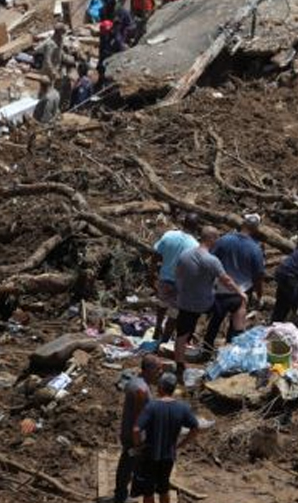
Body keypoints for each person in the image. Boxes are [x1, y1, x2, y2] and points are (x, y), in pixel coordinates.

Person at [173, 226, 238, 376]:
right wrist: (240, 292)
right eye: (216, 238)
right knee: (233, 303)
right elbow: (226, 280)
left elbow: (178, 274)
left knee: (182, 334)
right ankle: (226, 345)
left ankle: (179, 363)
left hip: (185, 301)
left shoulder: (185, 254)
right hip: (204, 302)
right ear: (212, 239)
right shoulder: (211, 260)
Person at [132, 372, 199, 503]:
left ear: (161, 387)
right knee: (164, 488)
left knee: (148, 491)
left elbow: (136, 430)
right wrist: (181, 444)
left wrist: (138, 446)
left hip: (150, 455)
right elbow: (195, 428)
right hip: (169, 456)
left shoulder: (152, 406)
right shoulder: (182, 407)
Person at [206, 214, 266, 349]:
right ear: (256, 229)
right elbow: (258, 276)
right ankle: (229, 351)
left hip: (221, 288)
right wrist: (259, 294)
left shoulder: (224, 240)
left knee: (215, 321)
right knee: (235, 326)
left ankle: (206, 350)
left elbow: (210, 259)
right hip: (242, 292)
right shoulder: (255, 250)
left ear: (242, 224)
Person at [115, 355, 161, 503]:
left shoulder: (137, 382)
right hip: (134, 436)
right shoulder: (141, 389)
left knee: (128, 463)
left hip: (131, 432)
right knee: (128, 464)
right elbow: (138, 419)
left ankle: (122, 494)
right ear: (149, 369)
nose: (160, 372)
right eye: (158, 369)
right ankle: (121, 496)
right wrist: (138, 442)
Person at [152, 213, 200, 345]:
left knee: (162, 305)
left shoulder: (169, 235)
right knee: (174, 314)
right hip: (181, 284)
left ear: (183, 223)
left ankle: (157, 327)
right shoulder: (195, 245)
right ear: (196, 227)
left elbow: (156, 254)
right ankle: (165, 340)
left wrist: (151, 273)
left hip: (164, 278)